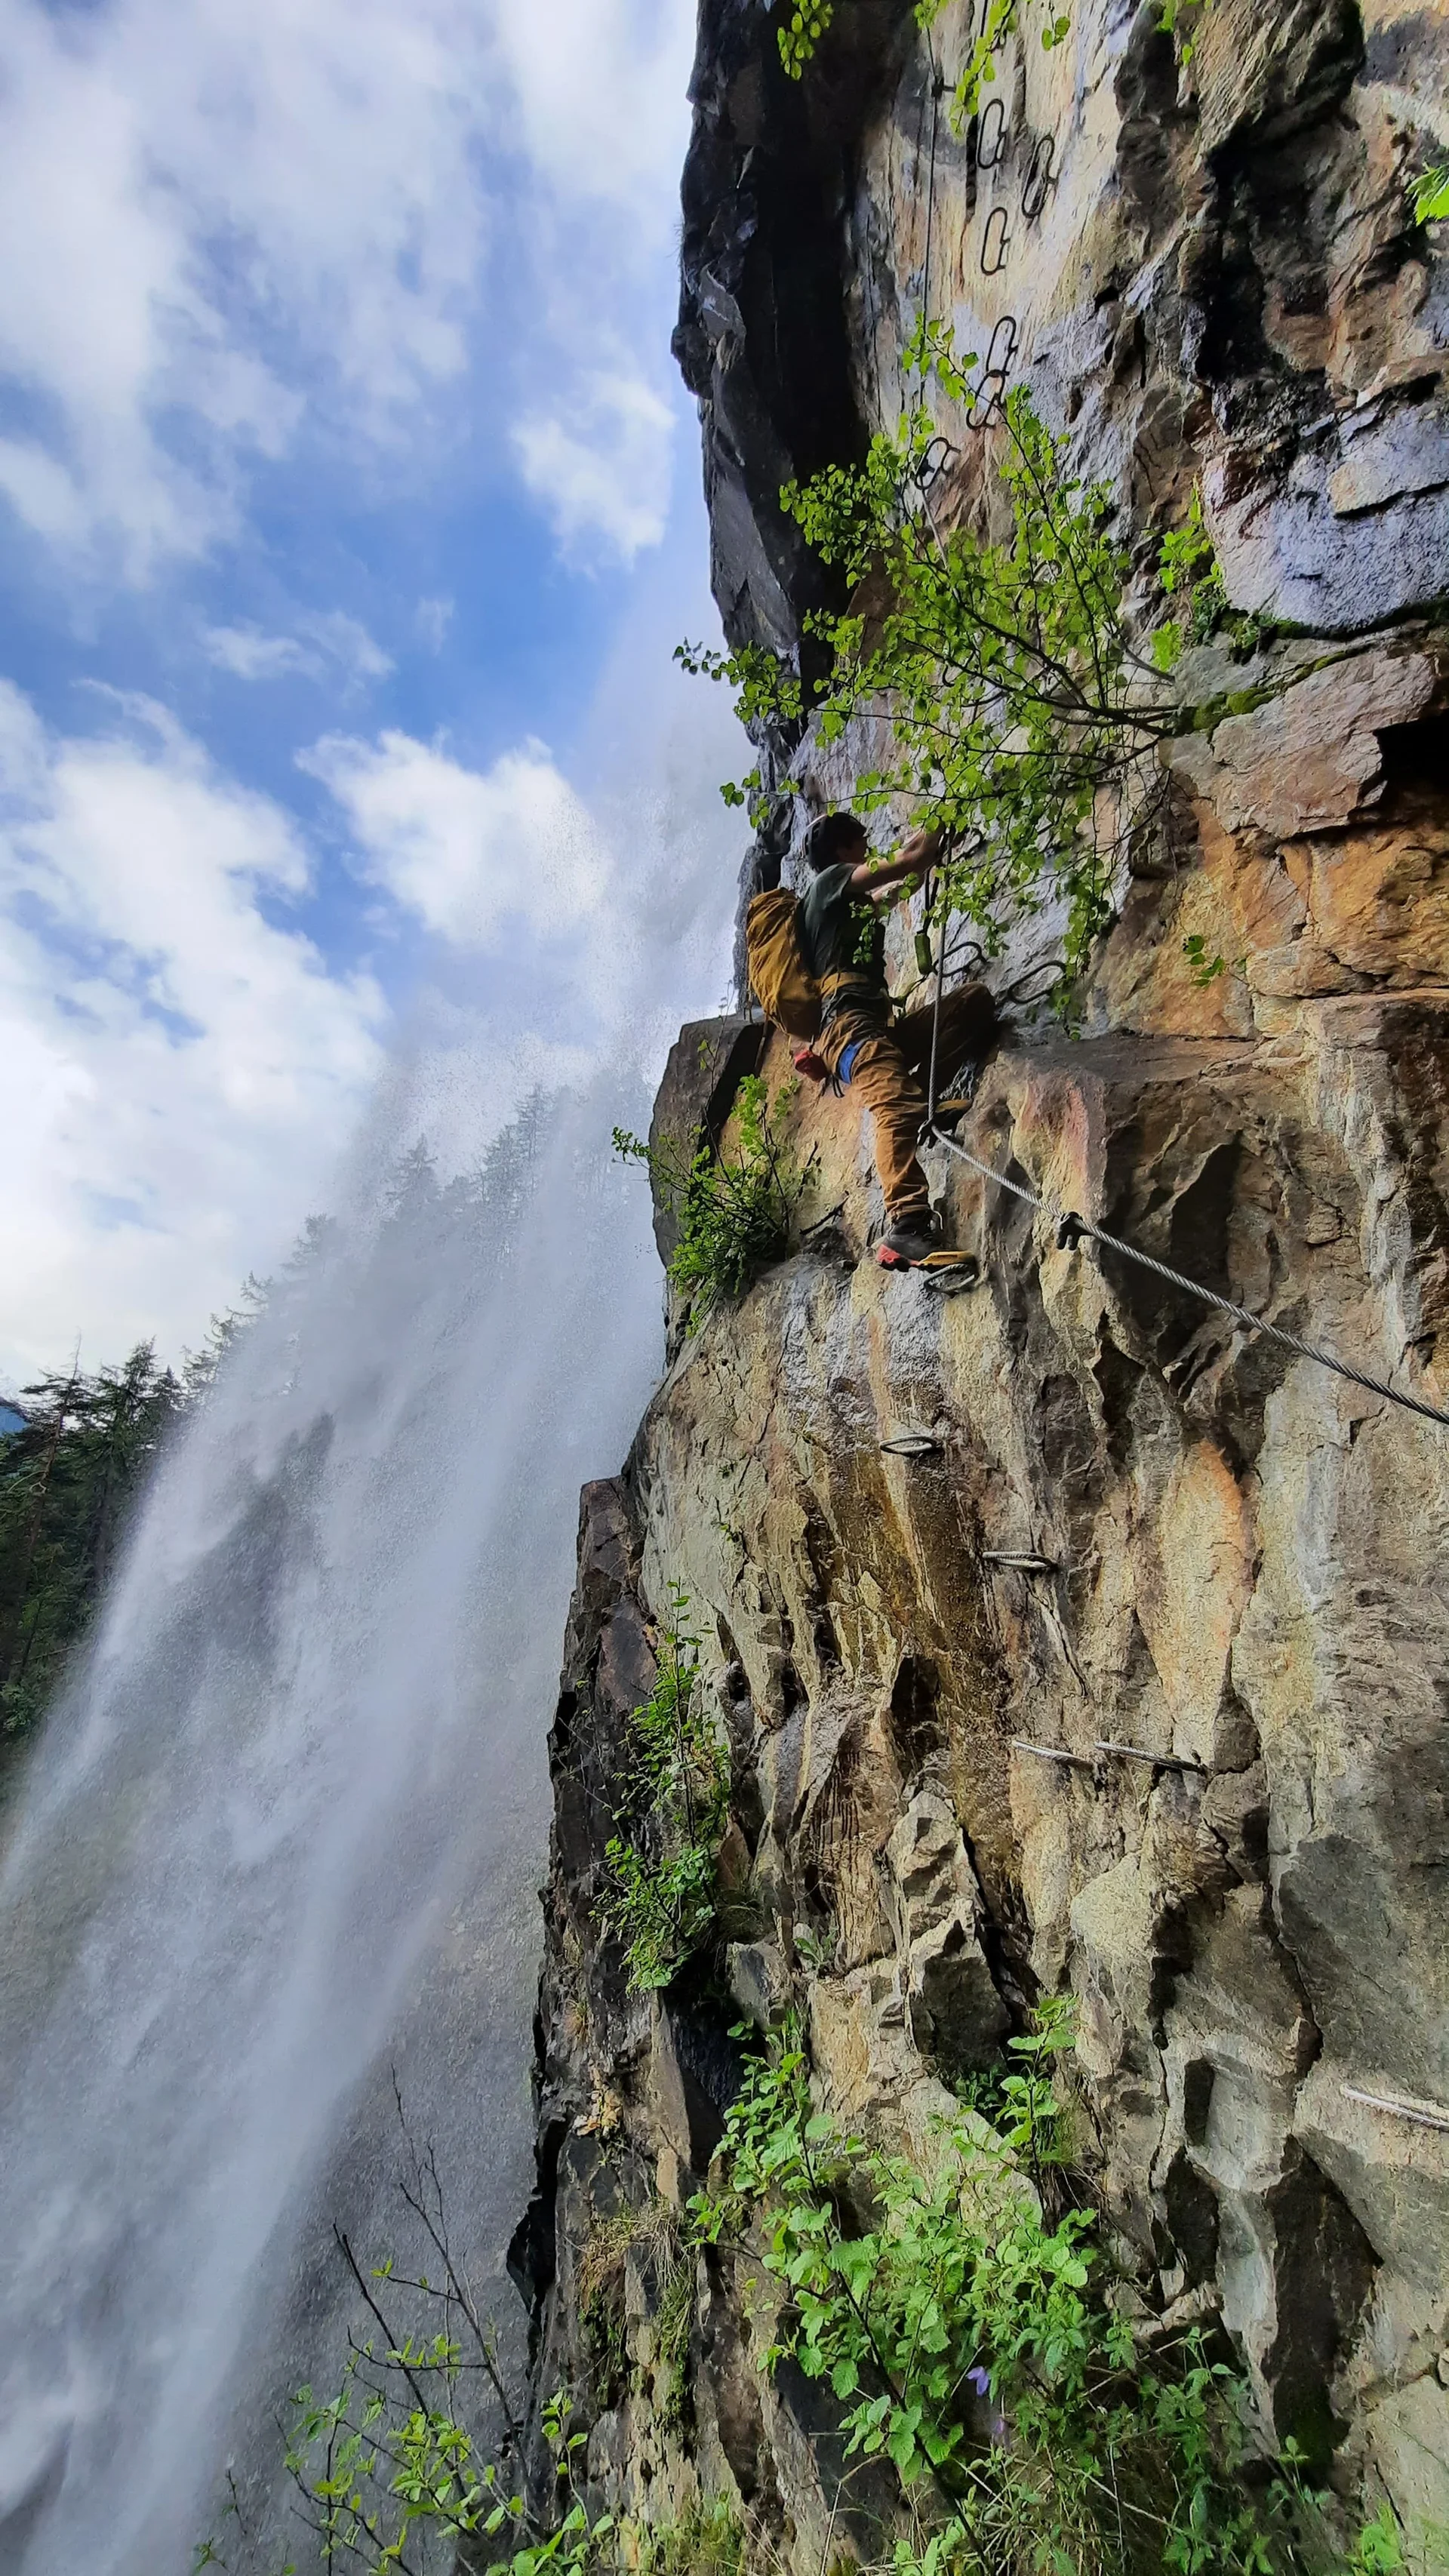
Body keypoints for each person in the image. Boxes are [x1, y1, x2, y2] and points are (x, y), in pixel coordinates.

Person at [798, 811, 997, 1263]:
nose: (866, 849)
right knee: (891, 1105)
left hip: (870, 1030)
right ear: (845, 848)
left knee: (972, 1005)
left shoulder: (841, 906)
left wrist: (921, 864)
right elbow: (907, 861)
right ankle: (906, 1222)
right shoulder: (830, 882)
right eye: (861, 843)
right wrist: (944, 819)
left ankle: (921, 1103)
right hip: (847, 1031)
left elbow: (898, 885)